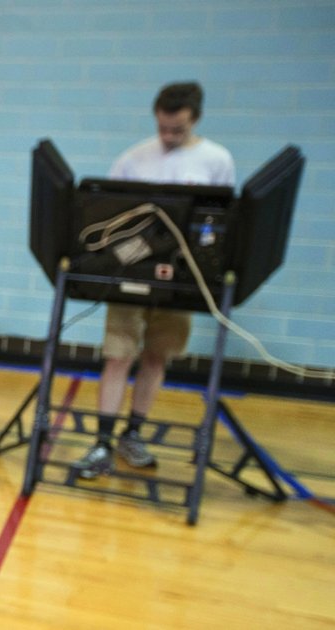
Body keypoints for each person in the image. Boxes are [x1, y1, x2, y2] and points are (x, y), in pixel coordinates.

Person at [72, 81, 236, 479]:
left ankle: (133, 433)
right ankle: (102, 442)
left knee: (156, 355)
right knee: (117, 354)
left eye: (177, 130)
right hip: (130, 271)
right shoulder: (133, 159)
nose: (167, 136)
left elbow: (222, 222)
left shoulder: (217, 160)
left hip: (180, 277)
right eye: (162, 127)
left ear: (194, 119)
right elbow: (106, 218)